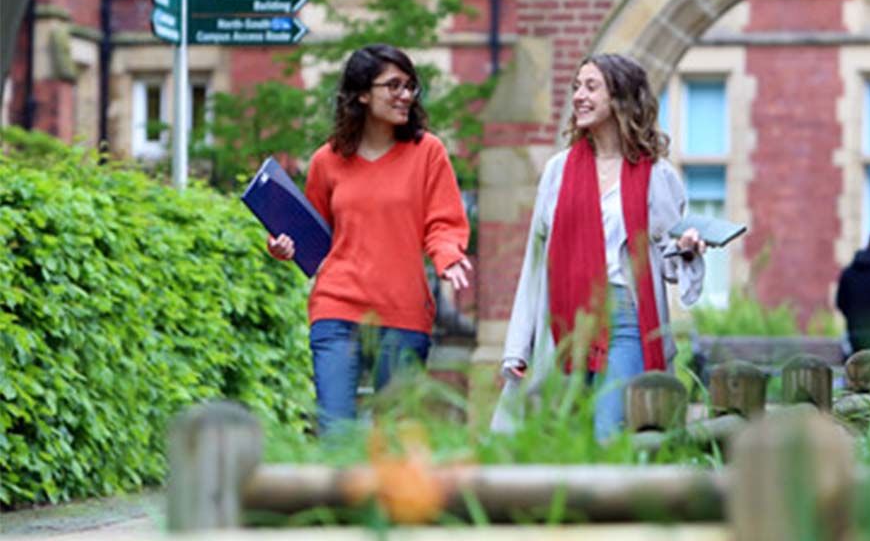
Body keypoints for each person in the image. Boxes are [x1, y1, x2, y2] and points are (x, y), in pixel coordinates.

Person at [490, 53, 706, 440]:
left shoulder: (657, 175)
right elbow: (536, 262)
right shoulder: (558, 171)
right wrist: (517, 346)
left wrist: (687, 247)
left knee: (612, 433)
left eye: (591, 87)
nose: (579, 96)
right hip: (563, 319)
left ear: (620, 98)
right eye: (576, 86)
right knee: (561, 436)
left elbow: (667, 258)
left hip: (625, 319)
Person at [266, 44, 472, 434]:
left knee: (393, 439)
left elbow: (443, 222)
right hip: (336, 308)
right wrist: (283, 247)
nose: (405, 95)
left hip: (403, 312)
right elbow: (313, 235)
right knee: (335, 434)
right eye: (393, 86)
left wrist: (448, 256)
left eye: (410, 86)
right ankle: (335, 498)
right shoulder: (328, 160)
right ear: (362, 93)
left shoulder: (428, 152)